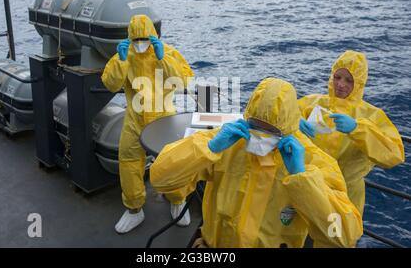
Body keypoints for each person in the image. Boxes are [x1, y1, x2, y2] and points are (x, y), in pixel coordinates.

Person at [150, 78, 363, 247]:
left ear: (288, 129)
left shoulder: (313, 160)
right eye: (255, 125)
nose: (261, 135)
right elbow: (160, 178)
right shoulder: (228, 142)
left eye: (271, 131)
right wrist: (209, 148)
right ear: (247, 117)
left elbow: (344, 236)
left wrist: (302, 178)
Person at [101, 14, 194, 233]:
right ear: (130, 37)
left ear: (154, 35)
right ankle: (134, 210)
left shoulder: (168, 53)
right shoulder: (123, 55)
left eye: (145, 38)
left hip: (165, 119)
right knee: (129, 162)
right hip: (135, 120)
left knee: (172, 161)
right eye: (137, 39)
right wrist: (121, 62)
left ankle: (178, 200)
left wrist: (163, 59)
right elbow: (110, 84)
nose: (141, 43)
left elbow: (184, 82)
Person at [298, 50, 405, 216]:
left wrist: (358, 129)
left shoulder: (372, 115)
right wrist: (295, 122)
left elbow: (394, 154)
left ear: (359, 84)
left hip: (345, 195)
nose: (341, 84)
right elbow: (282, 116)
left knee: (338, 238)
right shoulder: (312, 102)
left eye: (349, 80)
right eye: (337, 77)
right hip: (310, 187)